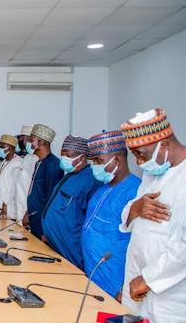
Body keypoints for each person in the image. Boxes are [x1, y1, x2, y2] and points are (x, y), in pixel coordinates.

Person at [119, 108, 186, 323]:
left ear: (163, 143)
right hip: (136, 282)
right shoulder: (154, 170)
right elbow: (128, 214)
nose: (140, 163)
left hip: (171, 296)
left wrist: (150, 278)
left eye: (141, 155)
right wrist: (136, 208)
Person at [81, 130, 141, 300]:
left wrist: (123, 287)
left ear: (117, 160)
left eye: (99, 161)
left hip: (116, 281)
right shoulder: (102, 188)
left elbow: (140, 244)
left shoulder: (136, 191)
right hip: (93, 272)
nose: (95, 166)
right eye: (93, 161)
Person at [42, 135, 100, 270]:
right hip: (54, 243)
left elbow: (89, 219)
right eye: (62, 155)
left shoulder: (92, 180)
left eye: (68, 155)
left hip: (70, 247)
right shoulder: (70, 174)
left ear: (82, 157)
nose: (64, 159)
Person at [23, 124, 63, 238]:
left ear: (42, 142)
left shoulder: (53, 165)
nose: (28, 143)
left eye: (31, 140)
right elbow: (35, 191)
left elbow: (52, 199)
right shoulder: (39, 162)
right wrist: (28, 213)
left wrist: (47, 230)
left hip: (43, 223)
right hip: (34, 217)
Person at [0, 134, 23, 218]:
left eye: (2, 146)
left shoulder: (18, 163)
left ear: (11, 147)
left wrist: (5, 204)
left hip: (7, 208)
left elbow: (14, 188)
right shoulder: (4, 162)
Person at [12, 125, 40, 219]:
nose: (22, 141)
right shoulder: (27, 157)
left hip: (28, 212)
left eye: (25, 139)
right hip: (18, 209)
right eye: (21, 138)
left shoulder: (38, 160)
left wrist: (28, 212)